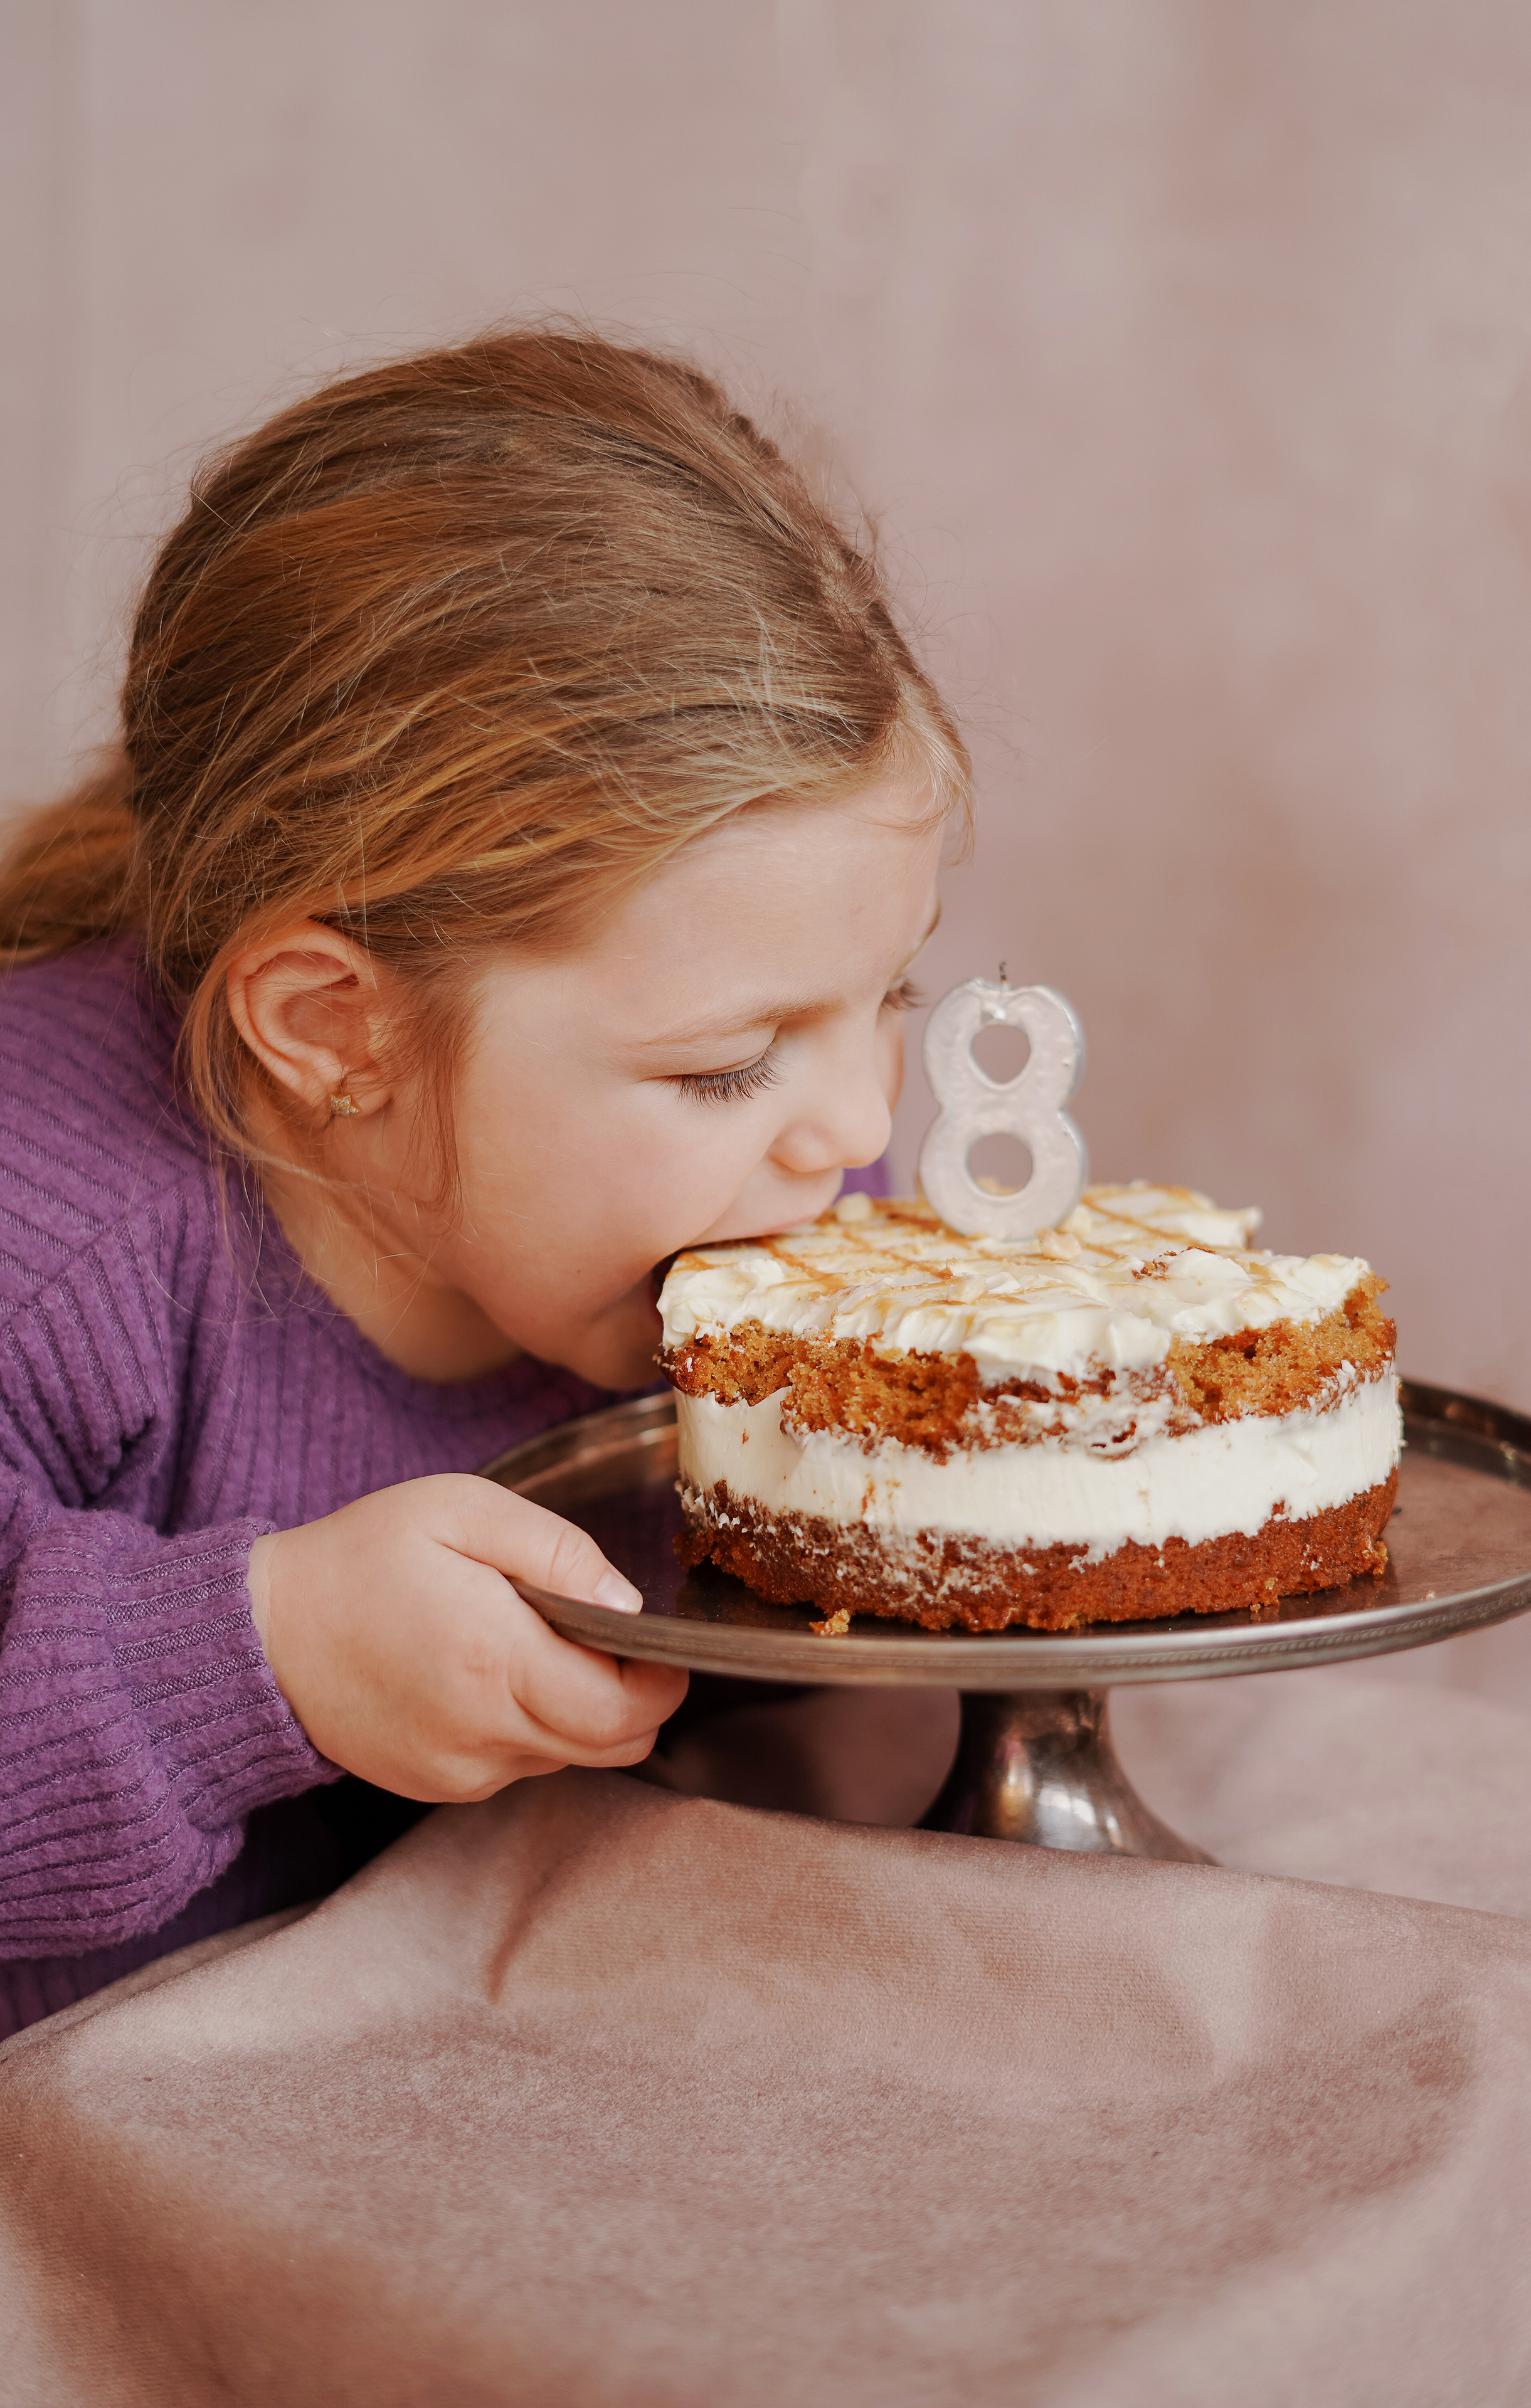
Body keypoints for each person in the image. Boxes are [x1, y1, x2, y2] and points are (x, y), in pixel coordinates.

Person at [0, 328, 968, 2035]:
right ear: (334, 1028)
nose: (845, 1132)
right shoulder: (57, 1245)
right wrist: (257, 1660)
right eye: (728, 1066)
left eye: (885, 1002)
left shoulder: (756, 1196)